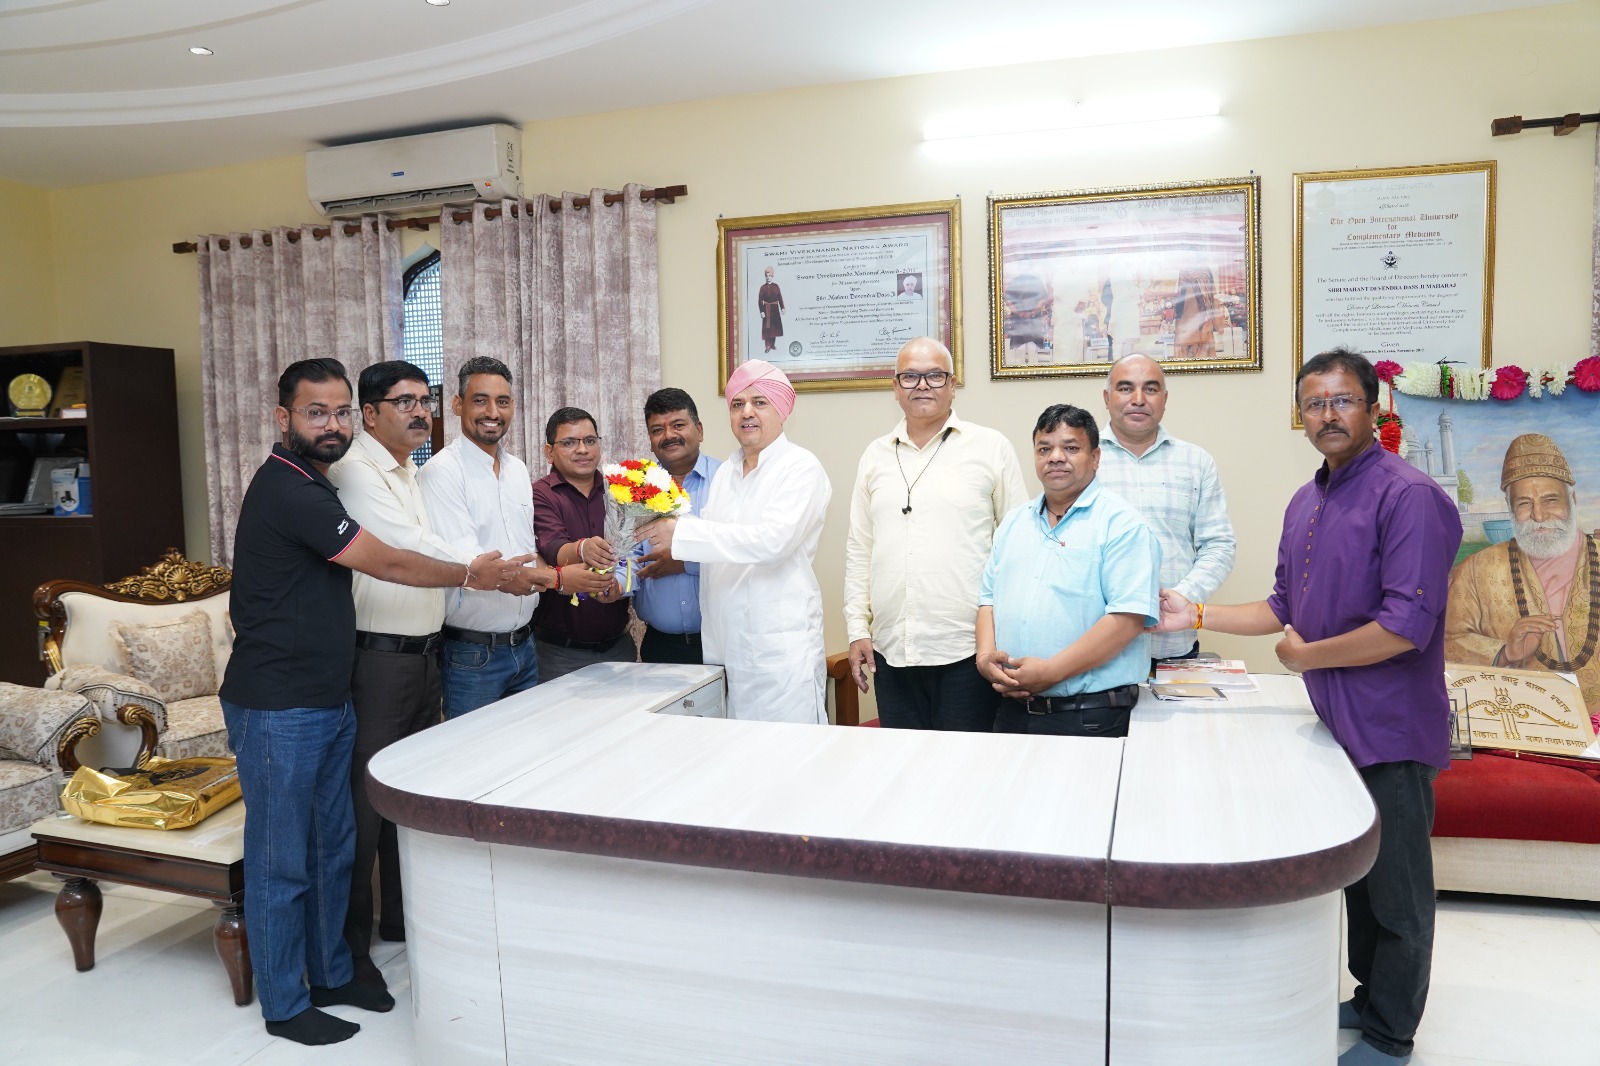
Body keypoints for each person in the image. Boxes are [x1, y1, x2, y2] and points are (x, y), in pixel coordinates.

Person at [1155, 347, 1463, 1066]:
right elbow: (1282, 606)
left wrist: (1306, 658)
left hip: (1390, 729)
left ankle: (1391, 1035)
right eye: (1314, 403)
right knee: (1359, 881)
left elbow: (1404, 628)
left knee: (1399, 893)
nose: (1328, 414)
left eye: (1342, 400)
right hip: (1335, 728)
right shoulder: (1308, 500)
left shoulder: (1410, 497)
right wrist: (1192, 614)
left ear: (1374, 409)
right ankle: (1371, 995)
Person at [221, 358, 516, 1047]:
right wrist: (474, 574)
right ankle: (284, 1003)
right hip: (277, 704)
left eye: (339, 412)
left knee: (334, 847)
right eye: (315, 412)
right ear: (283, 418)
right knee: (281, 858)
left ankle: (332, 974)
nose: (331, 425)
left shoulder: (316, 483)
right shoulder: (287, 488)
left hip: (329, 695)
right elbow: (385, 561)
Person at [326, 361, 479, 987]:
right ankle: (350, 954)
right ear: (369, 413)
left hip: (422, 658)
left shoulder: (410, 469)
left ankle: (399, 923)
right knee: (365, 810)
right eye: (405, 402)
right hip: (378, 663)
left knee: (406, 799)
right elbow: (404, 549)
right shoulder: (355, 471)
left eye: (426, 400)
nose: (421, 412)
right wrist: (488, 571)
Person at [844, 337, 1026, 731]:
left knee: (967, 765)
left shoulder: (990, 447)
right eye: (910, 377)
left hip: (969, 651)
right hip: (891, 652)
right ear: (895, 387)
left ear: (952, 384)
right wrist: (858, 629)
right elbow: (860, 550)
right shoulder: (875, 455)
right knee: (903, 764)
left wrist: (1005, 639)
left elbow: (1018, 549)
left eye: (935, 376)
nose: (922, 385)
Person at [636, 360, 831, 722]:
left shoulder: (800, 467)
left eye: (759, 402)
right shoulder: (726, 473)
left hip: (777, 652)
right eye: (738, 404)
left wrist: (683, 532)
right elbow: (716, 547)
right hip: (726, 650)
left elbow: (772, 542)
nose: (747, 412)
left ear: (781, 409)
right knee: (733, 751)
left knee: (786, 749)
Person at [976, 403, 1160, 737]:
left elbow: (1127, 620)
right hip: (1011, 709)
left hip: (1089, 716)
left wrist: (1051, 672)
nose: (1056, 457)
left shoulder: (1123, 525)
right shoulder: (1013, 523)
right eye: (1044, 449)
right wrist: (985, 658)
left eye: (1071, 448)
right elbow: (988, 599)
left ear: (1096, 457)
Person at [418, 357, 560, 718]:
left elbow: (526, 549)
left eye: (503, 402)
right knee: (472, 752)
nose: (493, 412)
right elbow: (470, 562)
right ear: (457, 405)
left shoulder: (518, 470)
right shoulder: (441, 472)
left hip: (524, 645)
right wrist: (556, 579)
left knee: (526, 748)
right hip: (472, 655)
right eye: (480, 400)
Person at [1444, 433, 1599, 732]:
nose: (1539, 515)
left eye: (1550, 500)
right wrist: (1505, 653)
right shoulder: (1477, 569)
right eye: (1525, 503)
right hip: (1517, 731)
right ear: (1510, 508)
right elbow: (1448, 643)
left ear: (1572, 501)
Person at [1096, 353, 1235, 667]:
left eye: (1150, 389)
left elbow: (1219, 545)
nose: (1138, 399)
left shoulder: (1196, 462)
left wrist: (1183, 596)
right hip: (1097, 644)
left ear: (1165, 399)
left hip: (1174, 644)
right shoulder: (1082, 460)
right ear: (1106, 398)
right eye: (1125, 388)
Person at [531, 407, 633, 681]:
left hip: (619, 648)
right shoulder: (539, 494)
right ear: (549, 452)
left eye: (590, 440)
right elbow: (553, 548)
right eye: (569, 442)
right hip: (559, 654)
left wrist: (620, 586)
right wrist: (582, 548)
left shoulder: (620, 491)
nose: (582, 450)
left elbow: (635, 553)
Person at [635, 388, 721, 664]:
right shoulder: (636, 489)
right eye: (657, 429)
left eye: (678, 425)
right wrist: (613, 584)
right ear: (650, 441)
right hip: (659, 646)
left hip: (722, 642)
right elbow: (629, 555)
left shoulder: (728, 481)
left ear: (699, 430)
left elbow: (743, 554)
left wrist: (684, 563)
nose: (668, 435)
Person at [1172, 266, 1226, 361]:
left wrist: (1219, 325)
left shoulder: (1185, 271)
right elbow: (1213, 298)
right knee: (1202, 364)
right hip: (1196, 328)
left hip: (1192, 329)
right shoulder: (1203, 271)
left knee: (1188, 364)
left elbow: (1213, 298)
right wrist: (1219, 326)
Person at [758, 266, 785, 353]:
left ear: (772, 276)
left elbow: (780, 297)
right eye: (766, 276)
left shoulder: (776, 286)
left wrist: (782, 307)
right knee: (767, 329)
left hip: (775, 310)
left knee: (774, 329)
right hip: (767, 310)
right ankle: (767, 346)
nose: (768, 277)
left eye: (769, 275)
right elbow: (760, 300)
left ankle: (772, 344)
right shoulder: (762, 288)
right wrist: (762, 311)